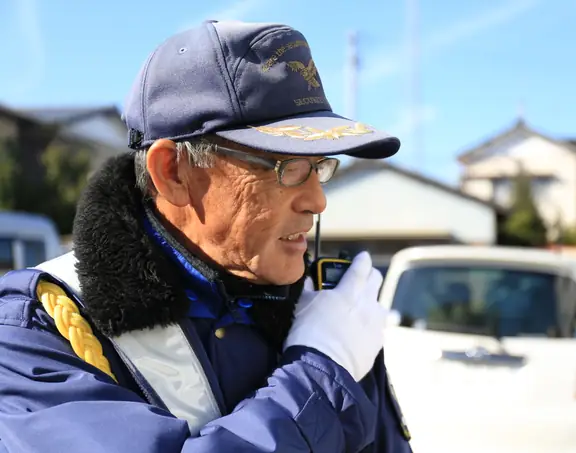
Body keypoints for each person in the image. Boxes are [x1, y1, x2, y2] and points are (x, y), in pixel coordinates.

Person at [0, 20, 413, 452]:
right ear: (173, 172)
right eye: (287, 167)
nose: (317, 201)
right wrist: (319, 373)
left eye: (320, 166)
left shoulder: (324, 307)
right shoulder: (36, 331)